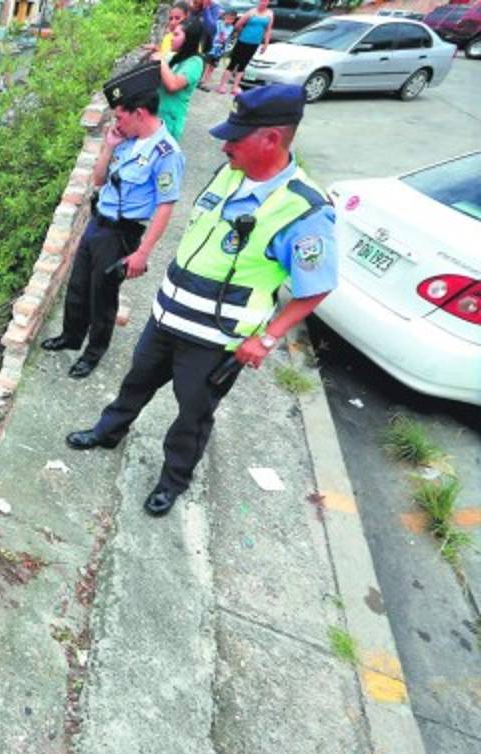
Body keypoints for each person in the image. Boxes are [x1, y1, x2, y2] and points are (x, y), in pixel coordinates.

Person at [66, 85, 337, 518]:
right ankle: (108, 432)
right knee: (135, 384)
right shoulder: (228, 173)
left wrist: (266, 340)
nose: (226, 144)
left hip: (215, 340)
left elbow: (317, 286)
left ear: (270, 139)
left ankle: (173, 481)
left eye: (237, 136)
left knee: (192, 415)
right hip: (166, 318)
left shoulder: (303, 210)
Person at [40, 64, 184, 380]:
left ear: (140, 113)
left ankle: (93, 354)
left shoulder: (166, 153)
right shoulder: (126, 140)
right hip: (98, 222)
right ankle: (71, 336)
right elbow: (99, 179)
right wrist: (109, 146)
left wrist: (142, 253)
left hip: (122, 233)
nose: (117, 122)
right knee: (78, 286)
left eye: (120, 116)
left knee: (103, 297)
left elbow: (165, 207)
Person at [157, 17, 206, 140]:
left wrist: (160, 61)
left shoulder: (195, 62)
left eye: (177, 35)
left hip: (170, 121)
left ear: (189, 39)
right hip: (159, 116)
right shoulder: (177, 57)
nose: (172, 38)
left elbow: (173, 85)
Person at [217, 0, 271, 95]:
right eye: (262, 0)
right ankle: (222, 85)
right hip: (243, 41)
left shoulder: (270, 14)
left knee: (243, 65)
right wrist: (243, 32)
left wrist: (266, 44)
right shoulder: (251, 12)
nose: (263, 2)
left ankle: (235, 87)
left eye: (266, 1)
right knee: (233, 63)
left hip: (255, 43)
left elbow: (268, 30)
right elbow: (238, 25)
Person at [200, 10, 238, 91]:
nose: (229, 21)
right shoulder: (218, 23)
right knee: (205, 64)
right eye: (228, 18)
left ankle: (205, 83)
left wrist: (226, 49)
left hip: (220, 51)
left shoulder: (231, 28)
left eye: (232, 19)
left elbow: (229, 40)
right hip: (211, 48)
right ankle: (200, 80)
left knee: (212, 67)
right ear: (224, 16)